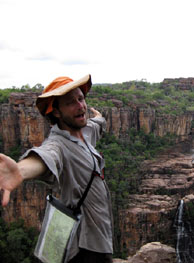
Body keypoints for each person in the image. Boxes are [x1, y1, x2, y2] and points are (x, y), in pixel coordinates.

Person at [0, 74, 113, 263]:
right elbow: (46, 157)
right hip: (85, 245)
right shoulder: (59, 145)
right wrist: (20, 171)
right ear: (57, 112)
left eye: (81, 98)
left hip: (101, 234)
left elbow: (96, 125)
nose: (81, 106)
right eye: (71, 103)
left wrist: (100, 117)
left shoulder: (85, 131)